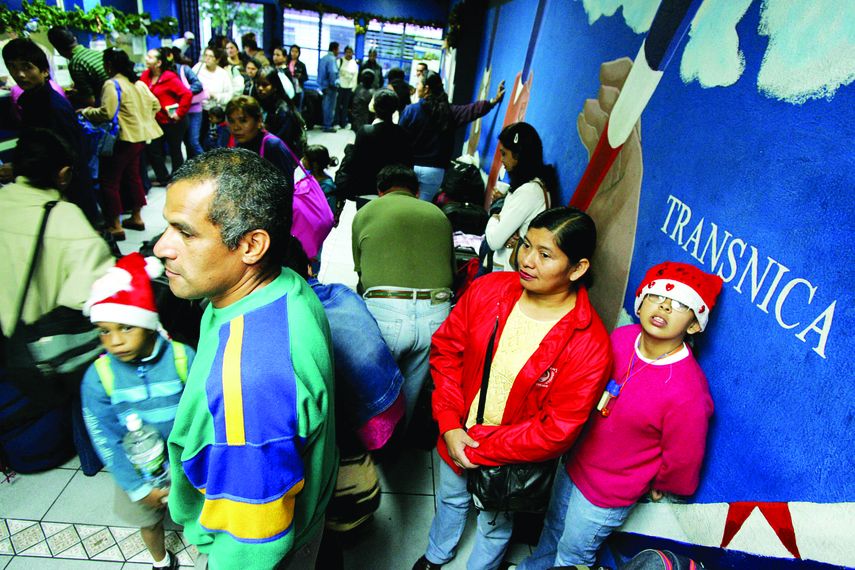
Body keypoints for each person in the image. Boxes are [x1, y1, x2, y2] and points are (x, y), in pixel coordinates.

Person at [154, 148, 336, 570]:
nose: (163, 247)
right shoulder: (283, 283)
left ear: (252, 245)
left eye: (185, 232)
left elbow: (253, 542)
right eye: (168, 227)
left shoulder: (246, 384)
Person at [413, 207, 612, 570]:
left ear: (578, 268)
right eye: (525, 245)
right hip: (457, 429)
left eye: (545, 254)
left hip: (508, 456)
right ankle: (436, 555)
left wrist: (482, 448)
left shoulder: (588, 343)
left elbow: (558, 429)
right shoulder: (489, 290)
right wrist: (451, 425)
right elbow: (446, 352)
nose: (527, 261)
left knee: (495, 524)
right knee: (451, 500)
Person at [519, 262, 721, 569]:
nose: (664, 307)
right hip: (574, 462)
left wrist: (665, 483)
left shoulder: (687, 390)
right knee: (552, 529)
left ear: (694, 325)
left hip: (608, 492)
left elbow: (684, 456)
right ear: (640, 304)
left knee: (573, 555)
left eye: (680, 305)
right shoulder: (622, 338)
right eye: (655, 297)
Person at [0, 129, 114, 473]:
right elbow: (96, 300)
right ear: (63, 174)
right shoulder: (66, 220)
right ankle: (92, 456)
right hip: (39, 355)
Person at [80, 253, 196, 570]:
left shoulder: (182, 358)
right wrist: (138, 487)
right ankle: (160, 560)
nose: (115, 341)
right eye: (104, 331)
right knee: (148, 521)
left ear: (147, 323)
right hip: (138, 469)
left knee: (200, 511)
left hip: (186, 464)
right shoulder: (98, 378)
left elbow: (204, 415)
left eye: (126, 327)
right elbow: (105, 437)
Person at [352, 164, 454, 427]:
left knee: (375, 390)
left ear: (380, 192)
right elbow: (452, 271)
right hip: (437, 314)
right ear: (417, 191)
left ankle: (371, 451)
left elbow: (361, 273)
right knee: (410, 391)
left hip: (387, 309)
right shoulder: (439, 215)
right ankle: (400, 440)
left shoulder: (366, 212)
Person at [1, 38, 100, 223]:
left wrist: (17, 168)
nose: (20, 74)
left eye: (27, 67)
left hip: (67, 188)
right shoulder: (32, 100)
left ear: (45, 70)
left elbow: (69, 154)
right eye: (13, 67)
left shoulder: (52, 106)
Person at [79, 48, 162, 241]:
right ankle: (136, 217)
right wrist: (143, 119)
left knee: (110, 181)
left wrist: (86, 111)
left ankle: (115, 225)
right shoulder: (138, 83)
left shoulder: (111, 84)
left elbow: (107, 113)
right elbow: (156, 105)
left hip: (122, 139)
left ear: (108, 65)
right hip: (140, 138)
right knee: (133, 178)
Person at [400, 72, 505, 203]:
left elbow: (400, 138)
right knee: (422, 207)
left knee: (404, 203)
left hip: (410, 168)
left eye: (418, 83)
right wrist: (493, 101)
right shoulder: (449, 112)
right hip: (435, 172)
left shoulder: (411, 110)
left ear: (426, 88)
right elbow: (471, 111)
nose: (416, 86)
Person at [483, 122, 556, 272]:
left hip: (506, 272)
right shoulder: (530, 185)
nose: (501, 160)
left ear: (518, 155)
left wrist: (494, 217)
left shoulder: (529, 192)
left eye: (504, 153)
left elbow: (494, 241)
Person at [339, 89, 412, 202]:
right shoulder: (403, 133)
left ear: (374, 106)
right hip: (391, 191)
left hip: (366, 189)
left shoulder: (365, 131)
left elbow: (357, 162)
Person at [140, 48, 192, 186]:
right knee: (153, 149)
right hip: (155, 121)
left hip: (173, 121)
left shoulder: (170, 77)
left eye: (150, 57)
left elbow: (186, 95)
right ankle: (163, 177)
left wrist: (179, 113)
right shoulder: (145, 76)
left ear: (158, 63)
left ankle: (178, 180)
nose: (146, 59)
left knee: (175, 150)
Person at [226, 95, 296, 187]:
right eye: (231, 121)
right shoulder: (238, 146)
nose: (236, 127)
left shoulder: (272, 146)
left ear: (259, 120)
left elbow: (288, 186)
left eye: (243, 121)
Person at [47, 26, 109, 107]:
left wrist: (74, 97)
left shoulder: (76, 63)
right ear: (75, 39)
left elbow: (90, 101)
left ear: (58, 49)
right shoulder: (96, 53)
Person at [255, 68, 306, 156]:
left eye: (265, 85)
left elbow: (280, 142)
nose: (260, 88)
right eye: (257, 84)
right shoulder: (262, 103)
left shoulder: (283, 110)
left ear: (275, 87)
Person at [170, 46, 206, 159]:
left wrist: (183, 94)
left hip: (193, 109)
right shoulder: (165, 73)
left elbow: (198, 85)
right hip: (180, 111)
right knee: (186, 143)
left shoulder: (183, 69)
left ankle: (208, 166)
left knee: (193, 142)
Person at [302, 145, 338, 212]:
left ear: (315, 164)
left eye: (305, 158)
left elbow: (329, 210)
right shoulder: (308, 174)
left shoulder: (327, 187)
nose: (302, 160)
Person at [318, 42, 339, 132]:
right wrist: (335, 84)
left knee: (325, 105)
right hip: (330, 86)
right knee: (330, 106)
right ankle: (328, 126)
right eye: (338, 49)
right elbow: (332, 73)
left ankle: (325, 124)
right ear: (334, 49)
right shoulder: (332, 59)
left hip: (323, 85)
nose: (338, 51)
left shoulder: (323, 58)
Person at [335, 46, 358, 128]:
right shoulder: (339, 61)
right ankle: (336, 123)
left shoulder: (354, 63)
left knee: (346, 106)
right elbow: (335, 74)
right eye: (347, 52)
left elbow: (355, 76)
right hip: (340, 87)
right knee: (337, 106)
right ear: (344, 52)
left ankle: (344, 123)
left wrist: (353, 88)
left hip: (349, 88)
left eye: (350, 52)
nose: (349, 54)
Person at [283, 44, 307, 110]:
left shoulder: (301, 65)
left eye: (296, 52)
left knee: (298, 108)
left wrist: (300, 76)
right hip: (287, 88)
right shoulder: (286, 63)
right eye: (292, 51)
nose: (294, 53)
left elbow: (306, 77)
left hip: (298, 89)